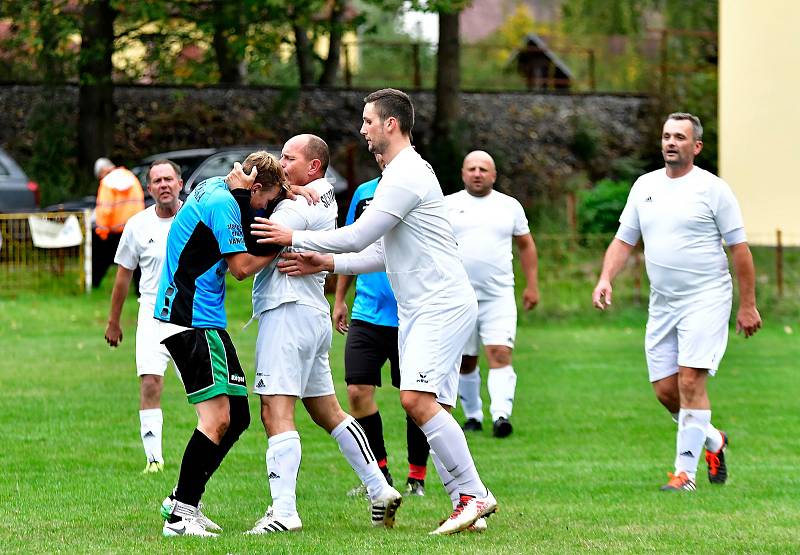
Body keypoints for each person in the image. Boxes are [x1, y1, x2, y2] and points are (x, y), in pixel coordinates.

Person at [248, 88, 497, 535]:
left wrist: (294, 239)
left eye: (367, 121)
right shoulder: (399, 175)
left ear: (391, 124)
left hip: (439, 303)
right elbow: (380, 251)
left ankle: (473, 496)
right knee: (429, 404)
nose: (361, 130)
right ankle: (468, 500)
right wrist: (325, 263)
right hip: (424, 306)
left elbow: (360, 235)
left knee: (415, 400)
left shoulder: (406, 175)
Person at [236, 135, 402, 535]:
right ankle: (380, 488)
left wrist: (243, 196)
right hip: (312, 316)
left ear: (313, 166)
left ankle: (284, 512)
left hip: (286, 313)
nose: (280, 162)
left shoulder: (294, 207)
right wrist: (288, 185)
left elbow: (252, 247)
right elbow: (289, 192)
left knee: (275, 410)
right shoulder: (323, 192)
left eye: (289, 159)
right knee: (327, 411)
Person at [592, 112, 762, 492]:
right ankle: (713, 439)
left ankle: (683, 475)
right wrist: (606, 278)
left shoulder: (713, 189)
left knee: (690, 381)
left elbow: (740, 251)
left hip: (707, 297)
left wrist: (747, 305)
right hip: (663, 302)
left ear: (696, 146)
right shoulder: (644, 186)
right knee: (666, 392)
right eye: (667, 135)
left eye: (680, 137)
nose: (671, 142)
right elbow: (624, 240)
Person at [154, 151, 289, 537]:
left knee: (239, 416)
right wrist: (283, 242)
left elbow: (247, 216)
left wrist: (285, 193)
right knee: (217, 420)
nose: (270, 209)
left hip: (200, 317)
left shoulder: (220, 187)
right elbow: (242, 268)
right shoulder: (223, 203)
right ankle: (181, 516)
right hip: (191, 317)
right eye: (270, 200)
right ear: (254, 188)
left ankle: (183, 499)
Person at [333, 153, 431, 498]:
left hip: (411, 314)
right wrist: (341, 298)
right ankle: (380, 472)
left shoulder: (419, 192)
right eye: (376, 155)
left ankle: (417, 477)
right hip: (367, 313)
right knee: (357, 392)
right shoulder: (363, 194)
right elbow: (350, 244)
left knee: (416, 398)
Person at [446, 150, 540, 438]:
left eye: (483, 169)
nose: (477, 173)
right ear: (463, 173)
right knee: (466, 361)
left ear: (494, 175)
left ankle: (501, 415)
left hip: (498, 297)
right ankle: (472, 416)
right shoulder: (447, 205)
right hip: (459, 298)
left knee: (499, 353)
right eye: (471, 168)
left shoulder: (509, 206)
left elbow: (525, 245)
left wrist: (532, 284)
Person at [104, 159, 183, 474]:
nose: (163, 185)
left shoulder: (196, 218)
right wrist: (114, 321)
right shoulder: (138, 225)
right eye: (157, 181)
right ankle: (154, 459)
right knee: (150, 382)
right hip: (151, 312)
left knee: (200, 388)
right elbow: (123, 276)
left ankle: (208, 445)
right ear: (149, 189)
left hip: (191, 313)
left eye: (168, 179)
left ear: (180, 183)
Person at [93, 158, 145, 288]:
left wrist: (102, 231)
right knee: (138, 261)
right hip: (136, 227)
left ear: (103, 171)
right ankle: (139, 289)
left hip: (115, 230)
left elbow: (105, 209)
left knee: (102, 258)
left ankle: (94, 283)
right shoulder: (131, 177)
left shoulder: (107, 183)